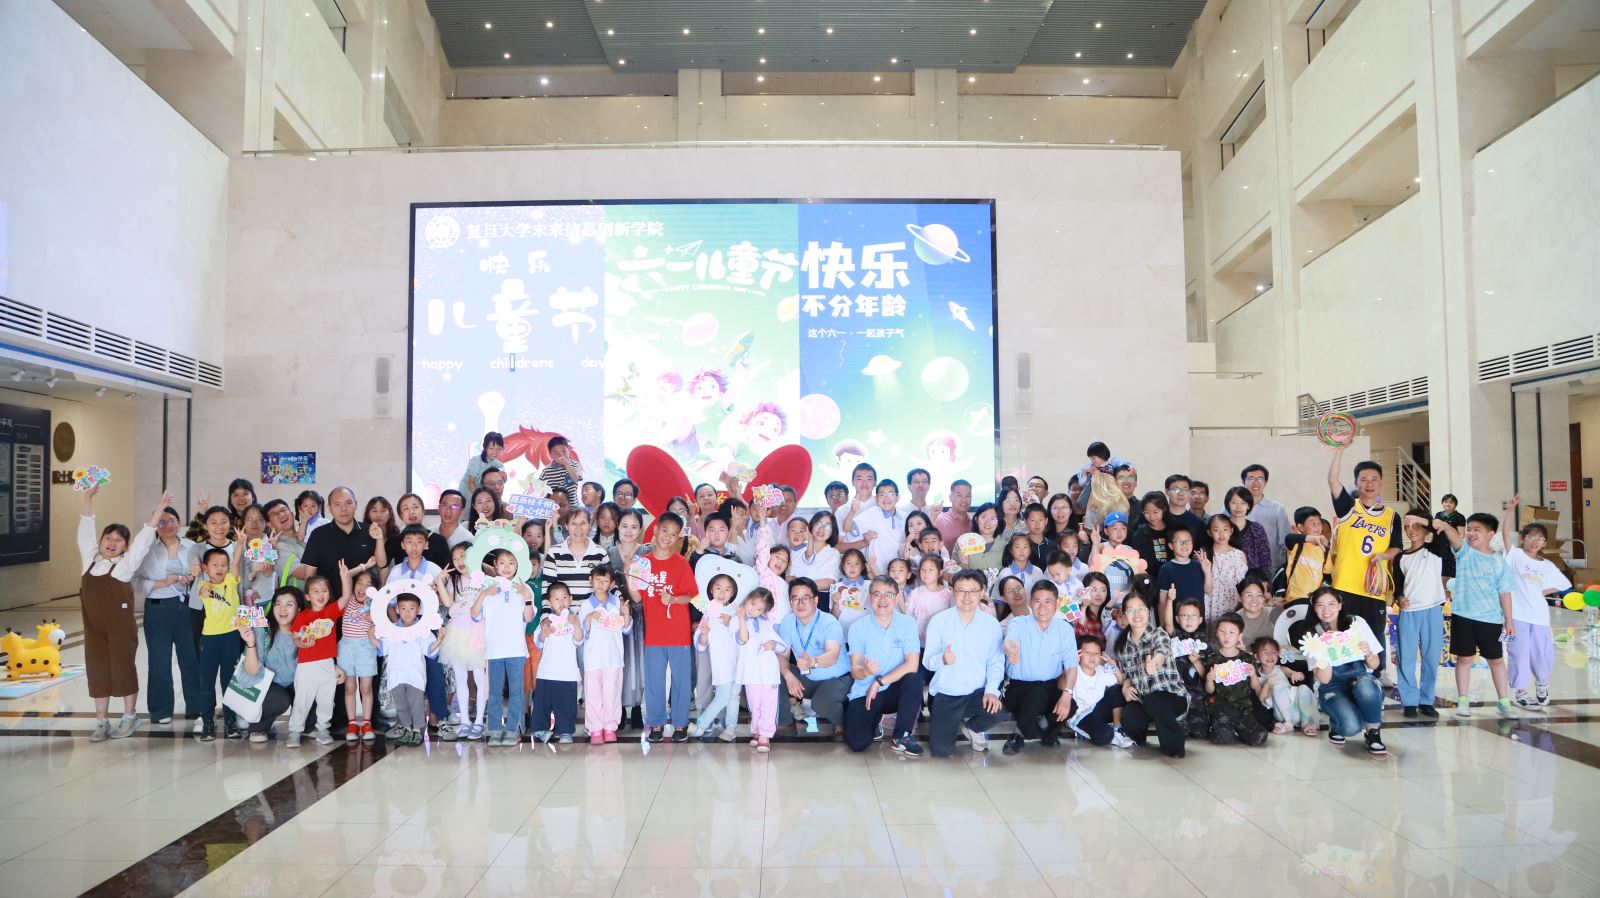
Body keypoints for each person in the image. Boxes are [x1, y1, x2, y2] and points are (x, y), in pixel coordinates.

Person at [78, 486, 165, 741]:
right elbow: (85, 531)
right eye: (108, 538)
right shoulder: (90, 560)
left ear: (126, 546)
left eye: (119, 540)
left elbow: (144, 539)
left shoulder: (125, 566)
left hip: (120, 630)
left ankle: (129, 716)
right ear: (101, 541)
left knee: (122, 668)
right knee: (97, 670)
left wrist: (159, 509)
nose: (112, 543)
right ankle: (101, 721)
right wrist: (87, 498)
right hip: (94, 629)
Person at [1433, 509, 1518, 718]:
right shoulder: (1464, 551)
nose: (1470, 533)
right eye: (1469, 529)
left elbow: (1505, 593)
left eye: (1476, 530)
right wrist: (1444, 526)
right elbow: (1453, 536)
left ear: (1491, 534)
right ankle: (1463, 700)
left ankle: (1504, 702)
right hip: (1462, 616)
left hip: (1490, 619)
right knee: (1464, 659)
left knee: (1496, 660)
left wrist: (1509, 620)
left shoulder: (1499, 562)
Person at [1325, 447, 1402, 669]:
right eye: (1364, 479)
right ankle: (1343, 673)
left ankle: (1377, 672)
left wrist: (1383, 555)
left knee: (1375, 632)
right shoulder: (1349, 508)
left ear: (1381, 482)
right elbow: (1332, 480)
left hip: (1373, 586)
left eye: (1374, 479)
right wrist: (1339, 450)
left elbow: (1396, 548)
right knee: (1344, 632)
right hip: (1346, 584)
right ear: (1356, 483)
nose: (1369, 484)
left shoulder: (1392, 517)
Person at [133, 501, 202, 727]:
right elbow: (136, 581)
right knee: (159, 661)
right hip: (158, 609)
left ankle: (197, 706)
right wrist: (161, 583)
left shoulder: (192, 546)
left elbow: (203, 574)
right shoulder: (147, 549)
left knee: (191, 659)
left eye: (171, 520)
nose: (167, 525)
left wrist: (192, 578)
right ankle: (161, 709)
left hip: (187, 608)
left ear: (179, 522)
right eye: (161, 522)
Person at [1295, 587, 1387, 754]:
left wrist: (1368, 653)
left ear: (1340, 605)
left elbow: (1374, 665)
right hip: (1332, 688)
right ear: (1314, 608)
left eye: (1331, 604)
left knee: (1366, 687)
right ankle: (1337, 724)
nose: (1326, 610)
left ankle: (1373, 733)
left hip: (1361, 680)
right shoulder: (1312, 637)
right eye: (1320, 605)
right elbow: (1324, 679)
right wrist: (1323, 655)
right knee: (1351, 726)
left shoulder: (1356, 623)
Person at [924, 570, 1005, 756]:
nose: (967, 597)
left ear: (982, 592)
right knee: (941, 751)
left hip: (977, 693)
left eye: (973, 591)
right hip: (947, 693)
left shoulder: (991, 624)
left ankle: (973, 728)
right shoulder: (939, 621)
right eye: (961, 590)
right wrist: (943, 659)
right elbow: (927, 661)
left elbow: (996, 662)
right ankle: (951, 720)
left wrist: (991, 691)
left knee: (998, 710)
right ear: (953, 591)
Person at [843, 576, 926, 755]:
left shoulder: (907, 623)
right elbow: (855, 670)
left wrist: (879, 681)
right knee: (857, 744)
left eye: (888, 594)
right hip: (865, 693)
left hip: (894, 689)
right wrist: (866, 671)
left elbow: (912, 665)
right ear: (869, 597)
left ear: (897, 597)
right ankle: (875, 720)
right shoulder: (857, 627)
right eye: (877, 594)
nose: (883, 599)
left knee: (913, 680)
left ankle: (902, 736)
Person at [637, 513, 700, 742]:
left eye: (674, 534)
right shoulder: (642, 563)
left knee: (681, 680)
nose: (668, 537)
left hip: (678, 632)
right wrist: (628, 572)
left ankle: (680, 724)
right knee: (654, 680)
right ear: (655, 530)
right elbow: (637, 596)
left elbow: (692, 595)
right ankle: (656, 724)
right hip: (654, 633)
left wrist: (673, 599)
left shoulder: (680, 563)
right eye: (665, 531)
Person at [1502, 495, 1569, 709]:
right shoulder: (1515, 555)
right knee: (1518, 653)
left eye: (1539, 539)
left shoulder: (1547, 565)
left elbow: (1562, 584)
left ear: (1544, 543)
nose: (1535, 541)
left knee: (1542, 653)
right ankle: (1521, 691)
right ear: (1523, 539)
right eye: (1531, 537)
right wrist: (1510, 510)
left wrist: (1540, 592)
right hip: (1517, 615)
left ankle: (1542, 683)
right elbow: (1505, 534)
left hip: (1539, 616)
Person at [1001, 581, 1079, 755]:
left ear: (1056, 603)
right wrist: (1010, 650)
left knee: (1070, 705)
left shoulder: (1065, 629)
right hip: (1017, 687)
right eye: (1037, 601)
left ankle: (1035, 730)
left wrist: (1067, 694)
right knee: (1038, 695)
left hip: (1049, 685)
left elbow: (1071, 667)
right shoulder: (1018, 623)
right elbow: (1009, 641)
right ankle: (1025, 733)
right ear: (1030, 602)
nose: (1042, 607)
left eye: (1047, 601)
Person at [1114, 590, 1188, 758]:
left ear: (1148, 611)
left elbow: (1161, 652)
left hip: (1172, 696)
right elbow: (1126, 676)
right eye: (1131, 610)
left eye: (1141, 609)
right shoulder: (1122, 646)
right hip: (1144, 698)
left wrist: (1154, 663)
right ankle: (1138, 741)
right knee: (1130, 717)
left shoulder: (1158, 634)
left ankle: (1175, 748)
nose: (1137, 614)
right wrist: (1126, 688)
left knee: (1154, 700)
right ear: (1125, 614)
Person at [776, 578, 852, 736]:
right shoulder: (788, 621)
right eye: (795, 599)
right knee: (774, 671)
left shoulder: (829, 622)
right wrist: (788, 675)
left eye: (805, 598)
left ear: (816, 600)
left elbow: (832, 655)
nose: (800, 603)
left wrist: (813, 661)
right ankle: (786, 722)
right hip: (808, 678)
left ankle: (842, 721)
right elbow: (782, 655)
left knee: (821, 704)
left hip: (836, 678)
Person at [475, 548, 536, 744]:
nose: (507, 567)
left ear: (518, 565)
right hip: (494, 650)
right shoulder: (489, 587)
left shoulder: (524, 588)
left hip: (516, 650)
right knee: (494, 692)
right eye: (502, 562)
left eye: (511, 562)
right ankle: (494, 729)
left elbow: (528, 617)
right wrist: (484, 593)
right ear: (495, 564)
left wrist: (527, 597)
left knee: (517, 691)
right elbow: (474, 614)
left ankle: (512, 730)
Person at [1392, 509, 1448, 718]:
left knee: (1430, 658)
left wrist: (1421, 519)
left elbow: (1439, 529)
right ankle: (1409, 701)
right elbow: (1398, 586)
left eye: (1416, 526)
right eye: (1407, 526)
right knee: (1405, 657)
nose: (1412, 530)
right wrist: (1399, 598)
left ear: (1425, 529)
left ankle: (1426, 700)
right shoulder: (1400, 557)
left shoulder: (1435, 550)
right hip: (1408, 613)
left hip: (1432, 610)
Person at [286, 571, 349, 748]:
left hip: (327, 664)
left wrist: (344, 577)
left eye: (324, 591)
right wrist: (304, 644)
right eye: (316, 591)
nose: (321, 595)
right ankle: (295, 732)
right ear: (307, 596)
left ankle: (323, 730)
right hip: (306, 667)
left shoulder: (331, 611)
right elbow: (296, 638)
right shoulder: (303, 615)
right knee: (302, 701)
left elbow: (346, 597)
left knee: (326, 701)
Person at [237, 586, 303, 742]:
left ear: (299, 609)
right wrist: (250, 643)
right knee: (280, 698)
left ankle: (305, 724)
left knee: (312, 687)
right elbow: (252, 672)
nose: (282, 609)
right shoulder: (263, 630)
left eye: (289, 604)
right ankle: (257, 725)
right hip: (267, 687)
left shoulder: (304, 632)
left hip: (295, 684)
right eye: (278, 604)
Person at [436, 543, 487, 740]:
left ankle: (479, 722)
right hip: (457, 633)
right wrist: (440, 580)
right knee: (460, 678)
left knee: (480, 678)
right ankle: (465, 721)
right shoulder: (454, 580)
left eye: (463, 556)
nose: (459, 561)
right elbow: (448, 603)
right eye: (455, 558)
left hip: (478, 632)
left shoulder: (483, 577)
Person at [291, 487, 378, 604]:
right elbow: (310, 575)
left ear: (356, 504)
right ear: (329, 508)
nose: (344, 508)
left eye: (348, 503)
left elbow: (380, 567)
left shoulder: (369, 531)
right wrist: (312, 606)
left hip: (364, 605)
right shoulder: (318, 535)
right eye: (337, 504)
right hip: (329, 605)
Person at [195, 544, 244, 741]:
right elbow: (204, 590)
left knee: (229, 681)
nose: (220, 568)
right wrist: (206, 587)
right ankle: (208, 722)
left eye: (223, 564)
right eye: (215, 564)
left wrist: (240, 544)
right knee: (206, 682)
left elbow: (236, 562)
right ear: (206, 568)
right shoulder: (203, 584)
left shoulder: (231, 580)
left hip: (231, 637)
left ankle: (230, 721)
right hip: (210, 639)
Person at [579, 564, 632, 743]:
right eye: (598, 580)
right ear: (591, 580)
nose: (601, 584)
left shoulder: (617, 603)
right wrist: (589, 618)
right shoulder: (586, 605)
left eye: (605, 581)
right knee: (593, 695)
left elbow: (626, 629)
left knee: (612, 693)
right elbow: (582, 633)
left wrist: (626, 614)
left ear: (611, 583)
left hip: (614, 658)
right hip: (593, 659)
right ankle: (595, 729)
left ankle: (610, 727)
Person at [609, 508, 649, 731]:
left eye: (634, 527)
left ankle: (636, 708)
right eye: (624, 526)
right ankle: (620, 708)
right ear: (618, 527)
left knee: (639, 662)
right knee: (619, 661)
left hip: (642, 614)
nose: (628, 531)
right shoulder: (609, 553)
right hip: (615, 618)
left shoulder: (647, 551)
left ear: (640, 529)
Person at [530, 582, 584, 744]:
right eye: (556, 599)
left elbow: (579, 640)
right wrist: (544, 632)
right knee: (542, 703)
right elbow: (539, 643)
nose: (561, 602)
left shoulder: (574, 619)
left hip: (567, 673)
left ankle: (565, 731)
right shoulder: (546, 621)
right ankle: (541, 730)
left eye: (564, 597)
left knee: (566, 704)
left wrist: (575, 623)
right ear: (549, 602)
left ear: (571, 599)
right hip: (546, 672)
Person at [1202, 613, 1268, 746]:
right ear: (1217, 633)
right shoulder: (1212, 658)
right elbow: (1209, 691)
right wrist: (1209, 679)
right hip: (1221, 707)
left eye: (1231, 632)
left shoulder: (1247, 658)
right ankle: (1222, 727)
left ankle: (1237, 728)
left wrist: (1253, 675)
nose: (1226, 636)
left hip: (1243, 708)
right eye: (1222, 632)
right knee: (1222, 739)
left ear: (1239, 636)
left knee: (1259, 737)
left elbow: (1255, 687)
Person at [735, 587, 787, 752]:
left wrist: (772, 645)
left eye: (759, 609)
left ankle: (765, 735)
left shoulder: (766, 624)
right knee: (754, 704)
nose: (754, 610)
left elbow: (781, 646)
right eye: (752, 604)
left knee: (769, 704)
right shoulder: (736, 620)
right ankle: (757, 732)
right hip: (751, 672)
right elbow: (743, 639)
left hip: (769, 672)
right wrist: (741, 619)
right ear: (747, 599)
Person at [335, 557, 380, 742]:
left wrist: (374, 621)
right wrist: (365, 566)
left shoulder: (376, 605)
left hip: (366, 649)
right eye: (360, 583)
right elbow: (346, 576)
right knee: (350, 687)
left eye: (368, 585)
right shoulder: (348, 600)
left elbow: (382, 630)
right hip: (346, 649)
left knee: (366, 687)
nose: (363, 587)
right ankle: (352, 723)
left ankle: (367, 723)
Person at [1064, 635, 1134, 748]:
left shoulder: (1101, 670)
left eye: (1096, 653)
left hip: (1097, 710)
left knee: (1116, 689)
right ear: (1079, 654)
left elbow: (1121, 683)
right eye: (1087, 653)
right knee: (1105, 735)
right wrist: (1072, 663)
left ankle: (1117, 728)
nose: (1092, 656)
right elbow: (1062, 685)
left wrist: (1115, 668)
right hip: (1081, 716)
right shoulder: (1074, 670)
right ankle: (1084, 732)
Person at [1252, 636, 1317, 737]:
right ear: (1256, 656)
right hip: (1281, 713)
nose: (1270, 656)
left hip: (1298, 709)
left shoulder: (1281, 669)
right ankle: (1288, 723)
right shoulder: (1257, 676)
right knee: (1277, 687)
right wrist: (1267, 684)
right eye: (1265, 652)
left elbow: (1295, 674)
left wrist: (1297, 675)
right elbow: (1261, 698)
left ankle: (1306, 723)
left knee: (1303, 688)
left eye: (1273, 652)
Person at [843, 479, 906, 575]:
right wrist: (852, 511)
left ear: (897, 497)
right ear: (876, 499)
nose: (886, 498)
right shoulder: (874, 512)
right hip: (876, 571)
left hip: (898, 573)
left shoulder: (904, 516)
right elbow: (847, 528)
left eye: (890, 493)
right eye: (882, 494)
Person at [1241, 465, 1291, 572]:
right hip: (1238, 569)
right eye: (1251, 479)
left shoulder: (1277, 509)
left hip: (1269, 569)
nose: (1255, 483)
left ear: (1266, 482)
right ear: (1243, 481)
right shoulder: (1231, 507)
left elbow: (1285, 543)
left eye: (1260, 479)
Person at [1202, 514, 1249, 623]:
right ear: (1209, 533)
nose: (1221, 534)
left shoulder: (1239, 555)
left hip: (1232, 604)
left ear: (1231, 531)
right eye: (1216, 530)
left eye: (1225, 529)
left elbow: (1243, 585)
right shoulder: (1204, 555)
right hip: (1209, 605)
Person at [1280, 508, 1331, 602]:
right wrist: (1313, 539)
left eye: (1319, 523)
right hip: (1294, 598)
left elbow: (1327, 575)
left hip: (1314, 600)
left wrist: (1323, 587)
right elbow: (1289, 538)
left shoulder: (1325, 550)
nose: (1318, 527)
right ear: (1301, 527)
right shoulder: (1296, 544)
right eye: (1313, 524)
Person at [1222, 486, 1273, 574]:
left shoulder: (1257, 529)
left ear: (1248, 506)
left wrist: (1264, 581)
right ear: (1228, 504)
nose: (1238, 507)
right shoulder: (1220, 528)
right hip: (1224, 579)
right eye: (1234, 502)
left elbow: (1266, 562)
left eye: (1243, 503)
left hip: (1252, 580)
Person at [790, 510, 842, 595]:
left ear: (832, 532)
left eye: (827, 526)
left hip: (819, 596)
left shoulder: (834, 554)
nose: (822, 528)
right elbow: (789, 575)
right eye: (818, 523)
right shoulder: (799, 546)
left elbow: (829, 583)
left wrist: (800, 584)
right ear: (811, 525)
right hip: (793, 594)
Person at [539, 435, 584, 507]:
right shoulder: (546, 470)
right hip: (554, 508)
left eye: (564, 451)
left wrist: (566, 464)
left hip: (573, 508)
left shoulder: (574, 464)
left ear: (568, 450)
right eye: (556, 453)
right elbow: (539, 488)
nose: (561, 455)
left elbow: (576, 479)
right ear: (551, 455)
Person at [935, 479, 974, 551]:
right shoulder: (939, 520)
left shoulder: (974, 523)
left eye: (968, 496)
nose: (964, 500)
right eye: (959, 495)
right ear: (950, 498)